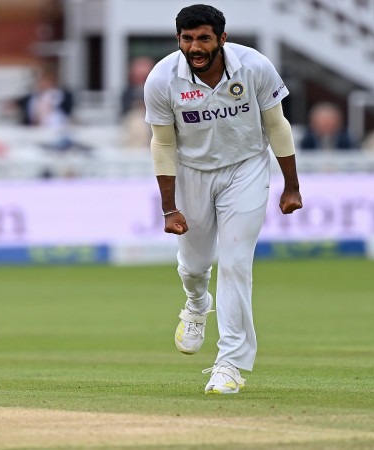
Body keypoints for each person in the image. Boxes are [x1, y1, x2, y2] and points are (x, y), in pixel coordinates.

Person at [143, 4, 302, 394]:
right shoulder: (162, 79)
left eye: (203, 38)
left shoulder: (254, 67)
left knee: (235, 263)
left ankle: (230, 363)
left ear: (222, 39)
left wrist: (291, 185)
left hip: (246, 168)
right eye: (187, 38)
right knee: (194, 266)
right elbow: (162, 143)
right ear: (178, 39)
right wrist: (169, 206)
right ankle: (197, 305)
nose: (195, 47)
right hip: (193, 172)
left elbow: (277, 126)